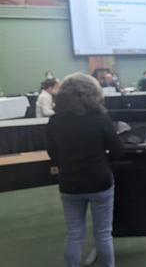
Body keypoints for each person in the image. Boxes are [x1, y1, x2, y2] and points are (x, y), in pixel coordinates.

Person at [46, 73, 124, 267]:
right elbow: (118, 150)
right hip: (99, 180)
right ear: (93, 93)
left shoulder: (55, 121)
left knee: (74, 234)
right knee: (103, 234)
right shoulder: (100, 118)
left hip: (69, 183)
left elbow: (52, 153)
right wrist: (102, 161)